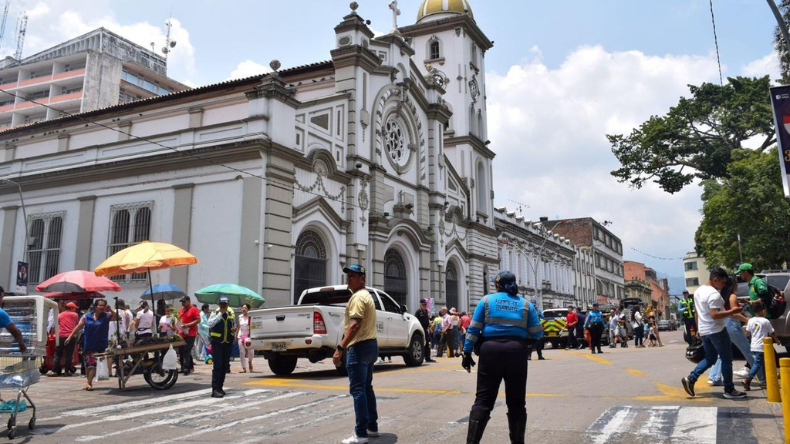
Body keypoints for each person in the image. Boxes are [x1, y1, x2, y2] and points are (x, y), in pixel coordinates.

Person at [461, 270, 542, 444]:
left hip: (490, 351)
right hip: (517, 352)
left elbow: (473, 329)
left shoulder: (486, 301)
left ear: (497, 285)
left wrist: (466, 352)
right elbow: (537, 333)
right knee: (517, 402)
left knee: (483, 400)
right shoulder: (526, 304)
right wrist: (522, 342)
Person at [681, 267, 747, 399]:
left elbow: (697, 312)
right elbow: (715, 315)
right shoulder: (714, 294)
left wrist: (699, 329)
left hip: (705, 330)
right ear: (715, 280)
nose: (723, 286)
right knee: (727, 359)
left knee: (710, 358)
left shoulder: (699, 291)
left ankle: (691, 378)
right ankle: (729, 389)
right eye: (722, 283)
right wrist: (732, 311)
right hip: (717, 330)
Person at [332, 264, 379, 444]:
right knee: (367, 388)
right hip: (370, 346)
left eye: (353, 276)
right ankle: (372, 427)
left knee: (358, 390)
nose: (349, 278)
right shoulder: (366, 295)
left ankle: (360, 434)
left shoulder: (358, 297)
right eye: (348, 275)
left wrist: (340, 347)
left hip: (359, 348)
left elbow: (355, 324)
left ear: (362, 278)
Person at [706, 276, 753, 386]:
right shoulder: (732, 296)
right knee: (747, 350)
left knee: (722, 352)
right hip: (732, 324)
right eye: (737, 283)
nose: (738, 285)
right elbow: (734, 313)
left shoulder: (722, 295)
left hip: (723, 324)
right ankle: (762, 375)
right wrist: (747, 320)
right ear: (733, 285)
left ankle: (714, 377)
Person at [65, 299, 116, 391]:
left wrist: (110, 309)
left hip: (100, 344)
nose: (102, 307)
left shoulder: (106, 316)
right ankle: (89, 383)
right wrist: (70, 336)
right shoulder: (87, 316)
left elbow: (117, 318)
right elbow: (79, 326)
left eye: (103, 305)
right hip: (88, 343)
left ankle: (89, 383)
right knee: (88, 364)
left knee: (94, 363)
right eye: (100, 305)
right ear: (95, 306)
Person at [742, 300, 777, 391]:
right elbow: (772, 332)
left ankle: (764, 381)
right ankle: (748, 379)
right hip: (762, 346)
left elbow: (748, 333)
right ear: (763, 311)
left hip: (753, 345)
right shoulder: (765, 321)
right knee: (758, 363)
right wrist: (777, 340)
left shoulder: (751, 320)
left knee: (761, 363)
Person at [207, 295, 236, 398]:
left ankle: (220, 387)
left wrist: (234, 332)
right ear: (219, 304)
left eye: (225, 304)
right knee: (218, 366)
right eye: (222, 304)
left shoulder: (231, 313)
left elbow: (233, 325)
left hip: (227, 342)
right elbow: (209, 324)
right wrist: (220, 314)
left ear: (228, 304)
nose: (223, 305)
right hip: (217, 343)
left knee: (225, 366)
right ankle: (215, 389)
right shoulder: (215, 313)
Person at [49, 302, 79, 377]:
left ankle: (54, 371)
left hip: (60, 336)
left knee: (57, 354)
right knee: (69, 354)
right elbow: (76, 325)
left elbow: (55, 325)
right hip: (71, 336)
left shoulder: (60, 315)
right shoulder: (75, 315)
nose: (75, 309)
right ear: (71, 308)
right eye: (74, 308)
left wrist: (52, 334)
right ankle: (66, 371)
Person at [179, 296, 200, 375]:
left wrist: (188, 325)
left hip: (190, 333)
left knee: (186, 350)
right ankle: (183, 367)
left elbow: (198, 320)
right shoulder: (181, 310)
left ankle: (186, 368)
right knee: (181, 351)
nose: (183, 303)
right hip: (181, 333)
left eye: (184, 302)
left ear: (188, 301)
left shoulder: (193, 309)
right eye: (182, 302)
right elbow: (179, 320)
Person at [235, 303, 254, 373]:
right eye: (242, 308)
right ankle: (244, 367)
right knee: (242, 352)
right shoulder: (240, 317)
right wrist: (235, 335)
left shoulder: (250, 317)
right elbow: (238, 327)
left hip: (249, 336)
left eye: (245, 308)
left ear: (248, 309)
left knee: (250, 351)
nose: (243, 309)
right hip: (241, 335)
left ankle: (250, 361)